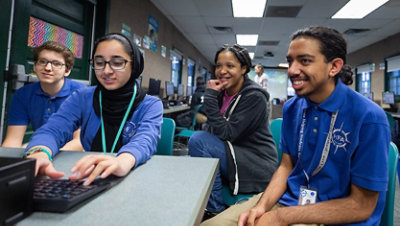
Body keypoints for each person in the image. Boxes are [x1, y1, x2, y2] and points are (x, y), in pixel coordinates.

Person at [202, 26, 391, 226]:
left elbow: (361, 206)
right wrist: (262, 206)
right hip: (291, 201)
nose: (292, 70)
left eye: (305, 61)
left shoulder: (369, 117)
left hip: (336, 215)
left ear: (333, 67)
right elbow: (286, 165)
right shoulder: (293, 107)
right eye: (291, 60)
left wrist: (280, 217)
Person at [24, 33, 163, 185]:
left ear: (134, 65)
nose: (106, 71)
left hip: (133, 177)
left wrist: (122, 161)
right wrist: (40, 152)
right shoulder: (83, 97)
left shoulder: (150, 104)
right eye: (99, 63)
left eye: (117, 63)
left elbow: (145, 140)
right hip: (90, 177)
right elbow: (53, 129)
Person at [189, 44, 278, 219]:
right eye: (219, 66)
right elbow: (211, 124)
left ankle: (213, 210)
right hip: (232, 153)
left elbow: (227, 133)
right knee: (187, 163)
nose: (222, 71)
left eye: (230, 66)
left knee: (198, 140)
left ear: (243, 69)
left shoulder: (255, 97)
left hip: (255, 162)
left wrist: (209, 96)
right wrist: (213, 97)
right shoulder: (223, 93)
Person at [2, 41, 86, 150]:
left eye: (56, 63)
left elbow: (79, 142)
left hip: (74, 153)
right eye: (42, 61)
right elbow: (13, 140)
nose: (48, 68)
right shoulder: (23, 94)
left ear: (67, 71)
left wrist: (44, 154)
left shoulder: (81, 94)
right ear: (35, 66)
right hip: (42, 147)